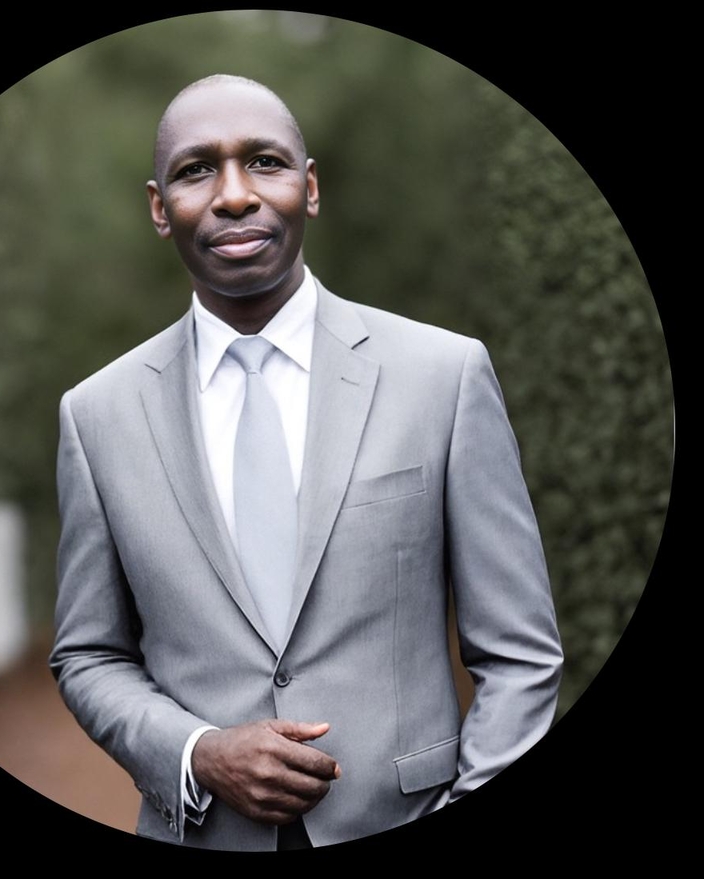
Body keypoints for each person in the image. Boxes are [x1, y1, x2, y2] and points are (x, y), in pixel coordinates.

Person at [49, 74, 563, 850]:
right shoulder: (97, 415)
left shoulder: (443, 378)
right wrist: (197, 752)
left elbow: (521, 654)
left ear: (310, 187)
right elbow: (89, 653)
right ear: (159, 207)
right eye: (196, 170)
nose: (234, 195)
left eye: (264, 161)